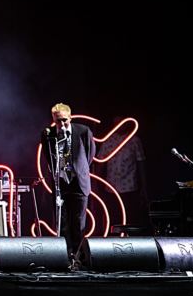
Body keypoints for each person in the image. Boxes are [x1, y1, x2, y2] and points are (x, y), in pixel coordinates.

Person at [41, 102, 96, 264]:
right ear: (53, 120)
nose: (61, 124)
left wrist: (79, 170)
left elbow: (89, 154)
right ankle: (66, 256)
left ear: (70, 118)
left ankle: (79, 257)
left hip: (78, 181)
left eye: (64, 120)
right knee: (62, 222)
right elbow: (48, 156)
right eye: (58, 121)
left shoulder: (83, 131)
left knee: (78, 222)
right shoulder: (48, 134)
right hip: (61, 183)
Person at [96, 117, 149, 227]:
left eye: (121, 123)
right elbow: (100, 162)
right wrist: (97, 183)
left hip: (129, 187)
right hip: (111, 187)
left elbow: (141, 163)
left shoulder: (134, 140)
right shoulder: (108, 140)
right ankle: (114, 240)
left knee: (130, 218)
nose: (118, 125)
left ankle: (129, 240)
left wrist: (144, 186)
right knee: (113, 218)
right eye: (116, 123)